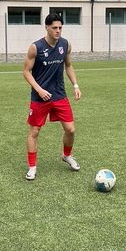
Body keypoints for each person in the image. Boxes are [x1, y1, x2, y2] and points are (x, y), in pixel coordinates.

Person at [23, 12, 81, 181]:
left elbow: (68, 65)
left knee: (70, 129)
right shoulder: (36, 47)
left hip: (59, 95)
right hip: (40, 97)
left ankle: (66, 155)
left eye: (60, 27)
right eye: (54, 27)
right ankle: (32, 167)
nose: (58, 31)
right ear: (46, 27)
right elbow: (26, 71)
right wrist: (39, 90)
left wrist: (75, 85)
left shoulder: (65, 44)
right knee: (34, 131)